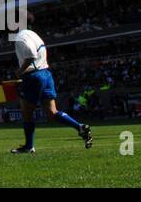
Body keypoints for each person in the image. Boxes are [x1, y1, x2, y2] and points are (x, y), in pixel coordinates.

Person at [10, 16, 93, 154]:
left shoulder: (21, 36)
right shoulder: (34, 35)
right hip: (46, 74)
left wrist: (20, 71)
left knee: (26, 112)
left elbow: (31, 56)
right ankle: (80, 127)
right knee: (52, 113)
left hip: (33, 76)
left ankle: (29, 146)